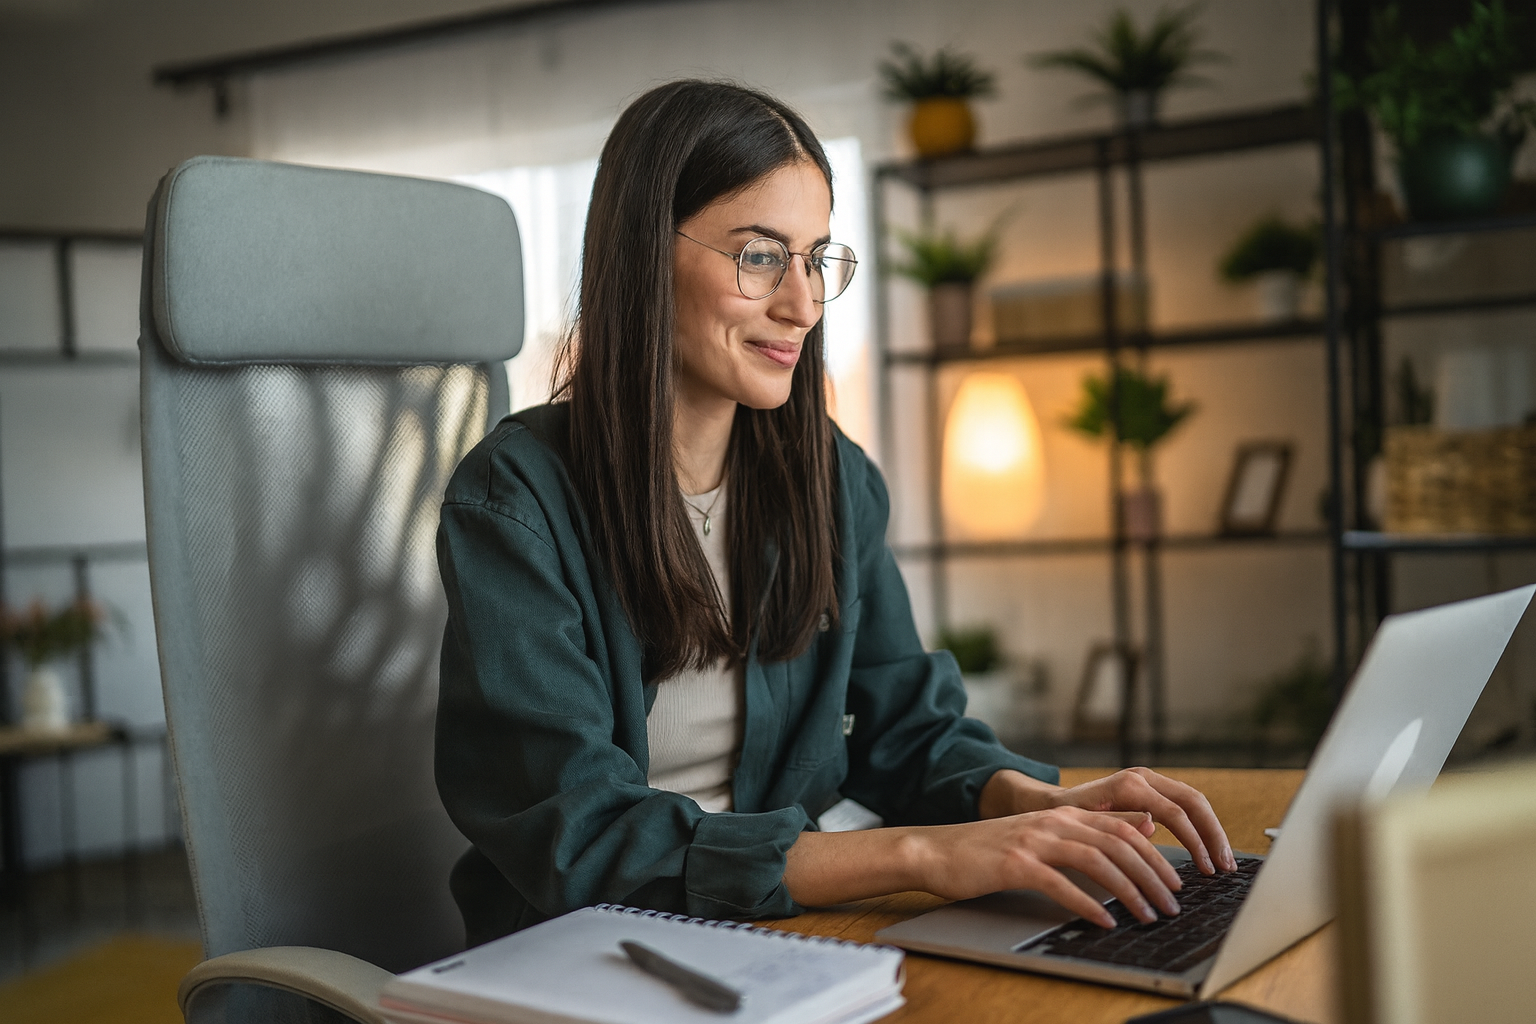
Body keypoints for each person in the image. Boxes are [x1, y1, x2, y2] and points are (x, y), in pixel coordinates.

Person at [435, 79, 1234, 947]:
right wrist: (928, 858)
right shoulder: (515, 501)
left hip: (780, 934)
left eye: (816, 257)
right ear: (644, 255)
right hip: (584, 948)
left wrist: (1039, 805)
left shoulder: (829, 477)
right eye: (759, 255)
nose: (804, 304)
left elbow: (904, 727)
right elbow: (582, 836)